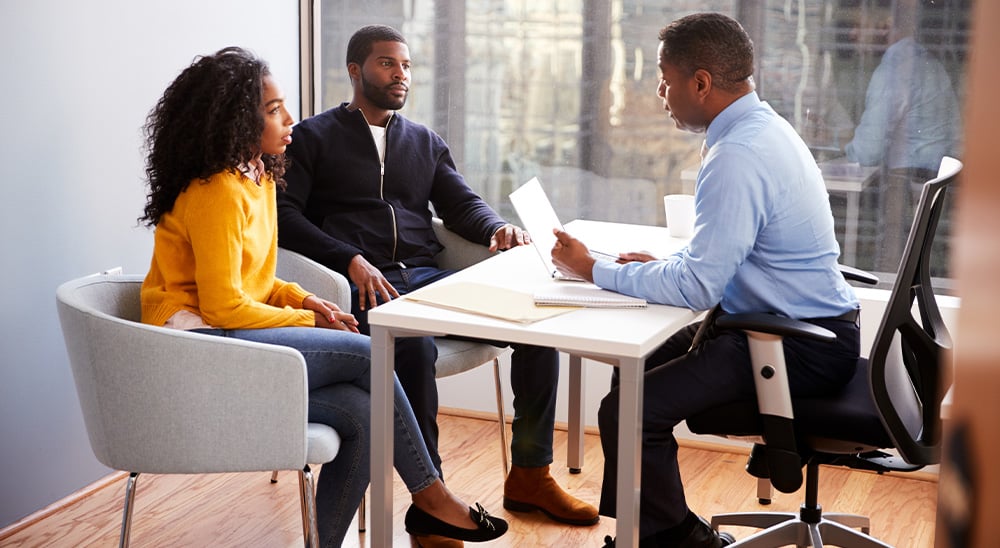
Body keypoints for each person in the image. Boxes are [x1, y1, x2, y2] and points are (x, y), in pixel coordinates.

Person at [137, 47, 506, 548]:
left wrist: (306, 300)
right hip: (196, 345)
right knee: (374, 354)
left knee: (365, 413)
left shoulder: (258, 178)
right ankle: (432, 496)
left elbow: (256, 280)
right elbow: (223, 306)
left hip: (230, 332)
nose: (289, 119)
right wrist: (310, 322)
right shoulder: (216, 191)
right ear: (235, 121)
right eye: (272, 110)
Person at [276, 25, 599, 538]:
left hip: (427, 274)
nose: (400, 74)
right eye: (386, 64)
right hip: (361, 286)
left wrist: (497, 227)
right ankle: (434, 499)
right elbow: (285, 216)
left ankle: (531, 474)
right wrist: (350, 258)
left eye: (405, 65)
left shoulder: (423, 141)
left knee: (538, 330)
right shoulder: (313, 137)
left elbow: (460, 204)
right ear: (355, 71)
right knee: (413, 345)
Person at [551, 13, 862, 548]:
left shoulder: (737, 153)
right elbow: (718, 258)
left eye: (664, 78)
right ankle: (641, 531)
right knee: (635, 369)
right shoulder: (758, 127)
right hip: (785, 324)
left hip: (794, 344)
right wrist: (648, 268)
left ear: (700, 82)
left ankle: (673, 538)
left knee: (628, 411)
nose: (659, 91)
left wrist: (593, 270)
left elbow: (698, 288)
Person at [844, 0, 960, 271]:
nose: (852, 34)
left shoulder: (895, 70)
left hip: (908, 184)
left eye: (859, 25)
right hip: (933, 179)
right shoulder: (929, 63)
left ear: (885, 27)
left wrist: (843, 149)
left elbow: (867, 152)